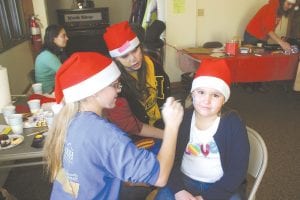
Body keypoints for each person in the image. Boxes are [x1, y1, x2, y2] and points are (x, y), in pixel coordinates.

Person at [43, 52, 184, 200]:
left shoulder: (68, 119)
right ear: (93, 92)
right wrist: (172, 127)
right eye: (114, 85)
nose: (119, 90)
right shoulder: (105, 135)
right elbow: (160, 176)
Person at [156, 59, 250, 200]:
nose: (207, 100)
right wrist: (179, 190)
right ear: (192, 94)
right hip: (183, 181)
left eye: (216, 95)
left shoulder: (233, 123)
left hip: (221, 186)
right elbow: (170, 158)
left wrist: (207, 197)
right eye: (201, 92)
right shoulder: (182, 119)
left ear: (224, 99)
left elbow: (237, 170)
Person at [103, 21, 170, 152]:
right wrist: (168, 135)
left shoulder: (153, 65)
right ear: (116, 59)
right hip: (131, 136)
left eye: (135, 50)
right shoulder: (113, 86)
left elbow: (164, 96)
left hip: (158, 123)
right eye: (124, 56)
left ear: (141, 47)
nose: (133, 59)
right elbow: (132, 127)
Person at [35, 24, 68, 94]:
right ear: (54, 39)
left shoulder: (54, 52)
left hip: (54, 87)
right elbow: (66, 73)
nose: (67, 38)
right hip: (49, 92)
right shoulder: (47, 56)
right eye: (63, 36)